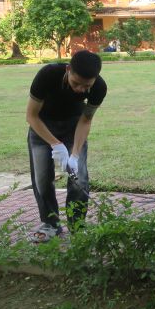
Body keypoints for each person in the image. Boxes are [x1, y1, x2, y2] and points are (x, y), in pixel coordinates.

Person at [26, 50, 106, 242]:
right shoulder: (48, 74)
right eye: (76, 83)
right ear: (68, 70)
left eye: (86, 86)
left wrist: (75, 155)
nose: (80, 89)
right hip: (42, 127)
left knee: (80, 178)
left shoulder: (99, 87)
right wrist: (56, 144)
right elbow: (31, 116)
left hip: (73, 127)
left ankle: (77, 226)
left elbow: (86, 120)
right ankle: (50, 224)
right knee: (42, 180)